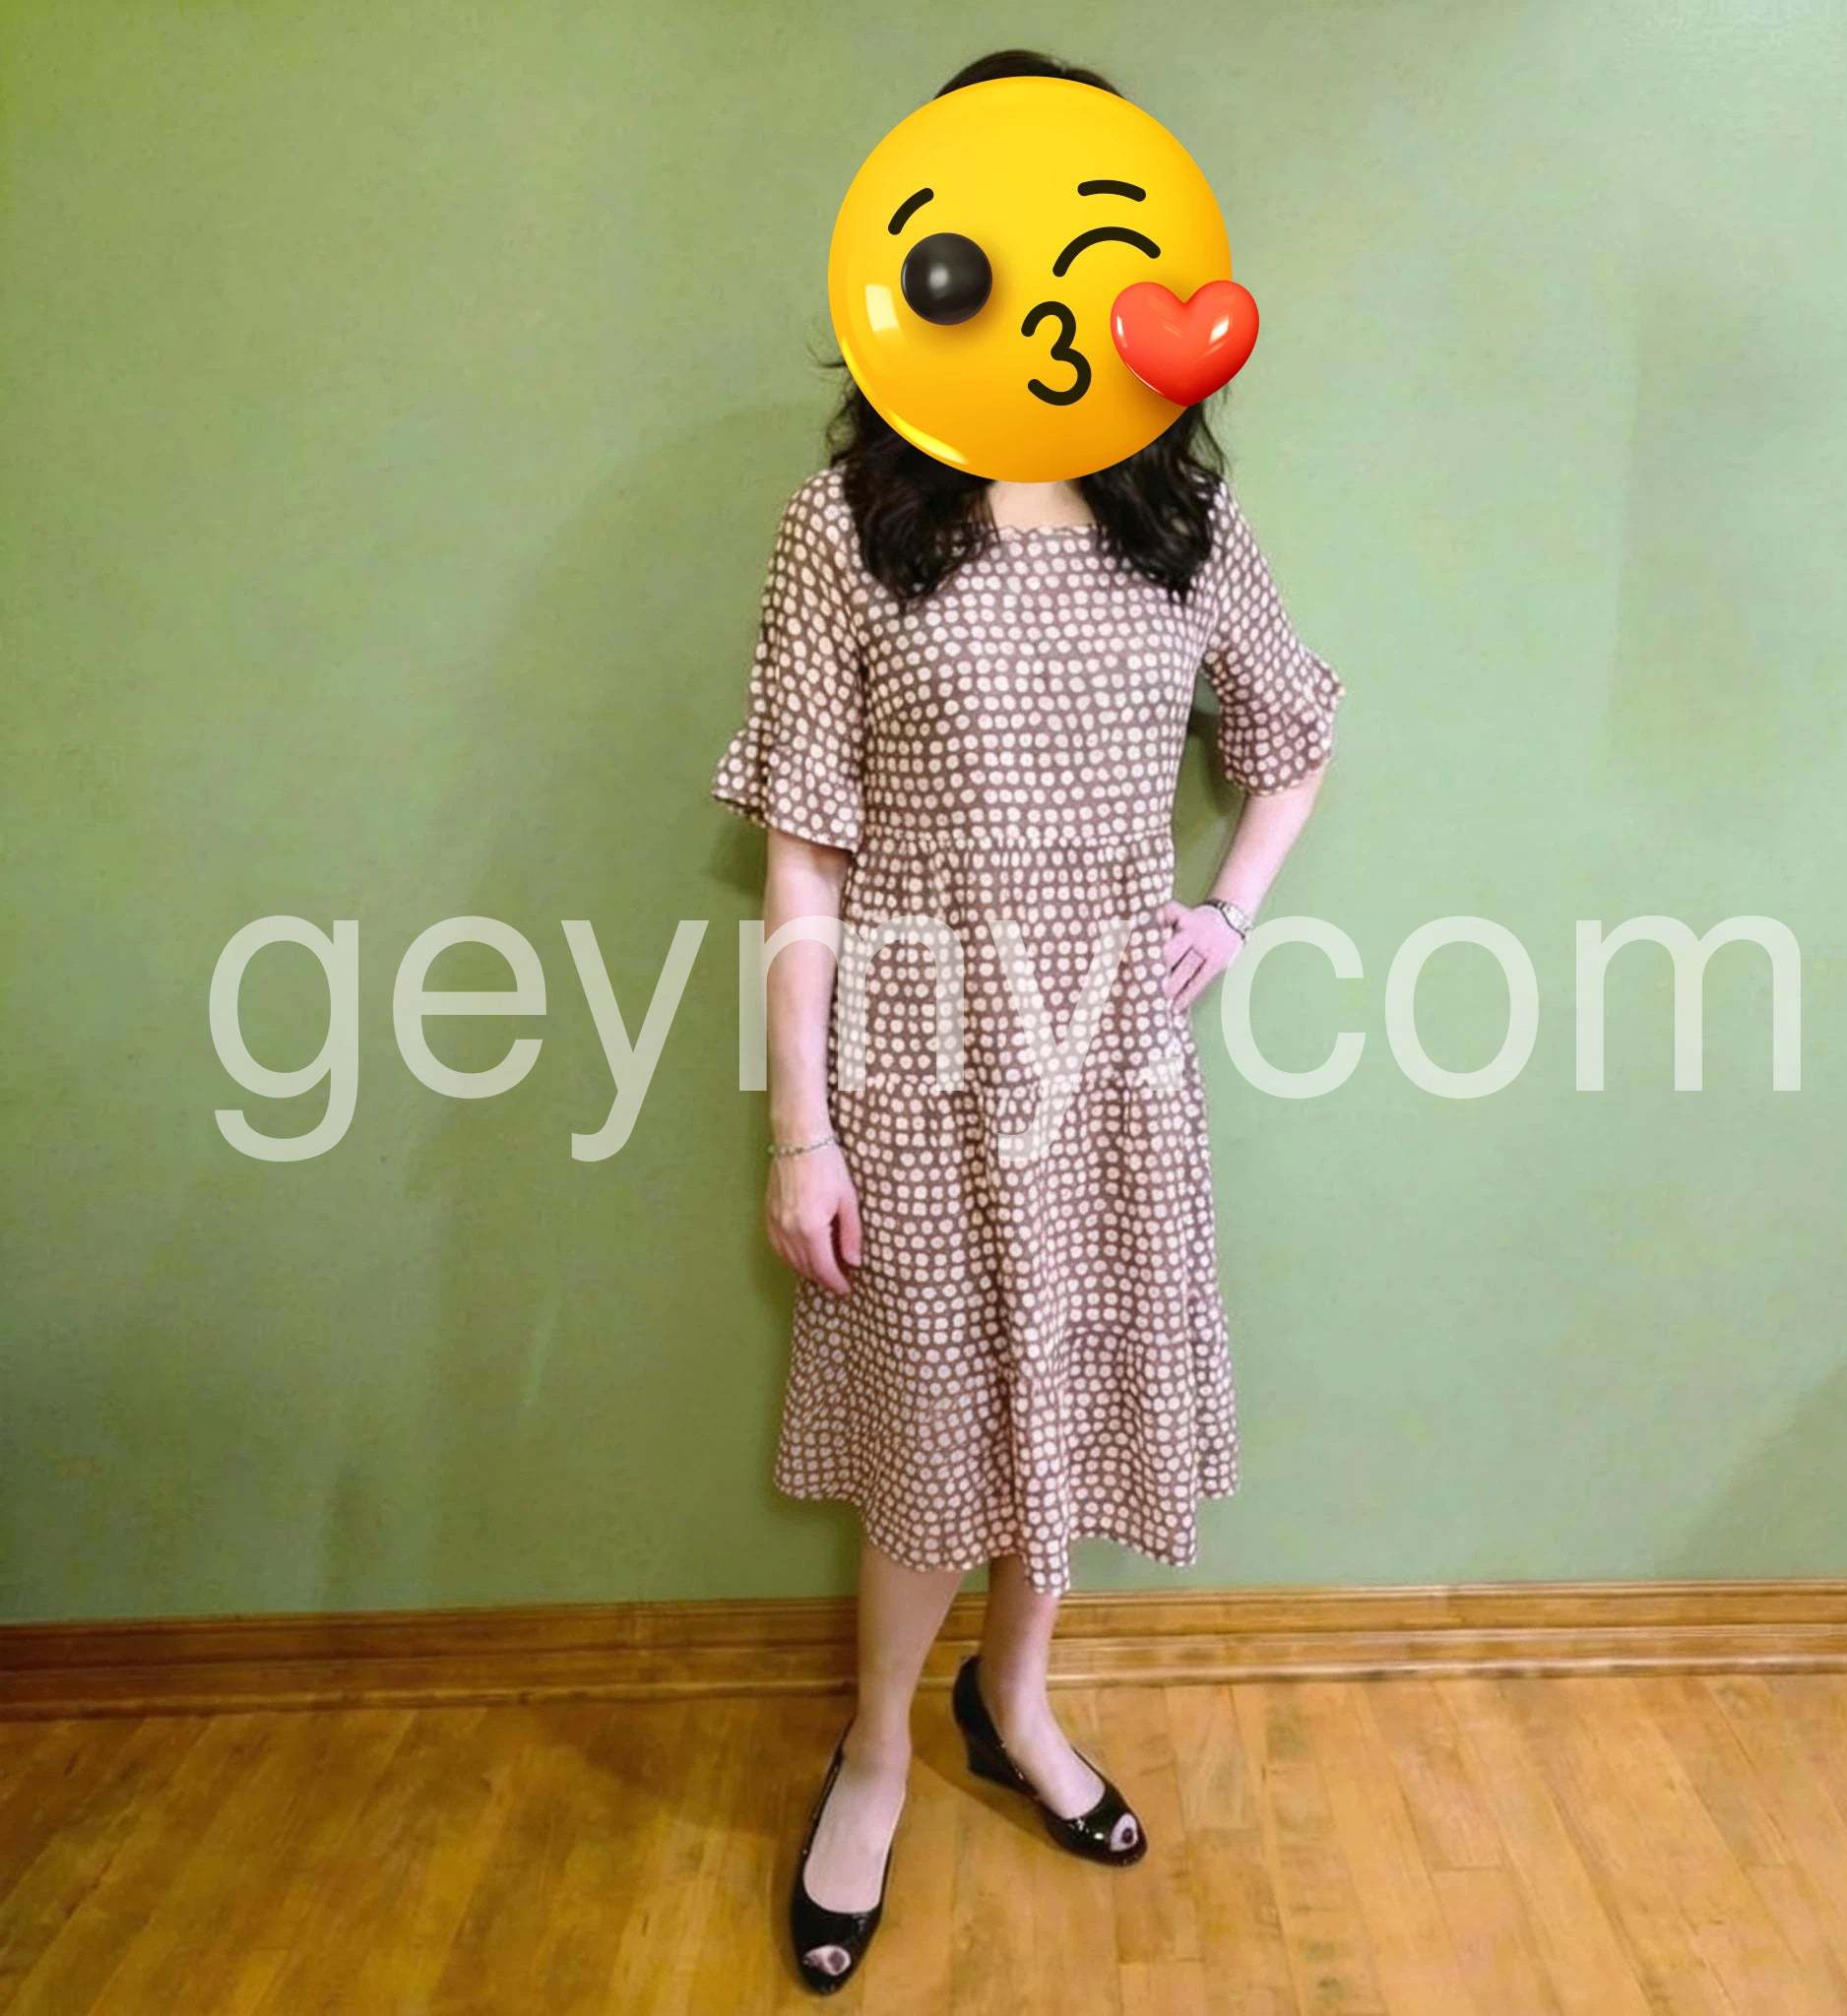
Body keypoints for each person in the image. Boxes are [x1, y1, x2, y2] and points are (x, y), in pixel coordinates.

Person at [708, 47, 1343, 1995]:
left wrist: (1226, 914)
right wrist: (800, 1129)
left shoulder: (1183, 530)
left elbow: (1293, 734)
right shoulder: (847, 527)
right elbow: (802, 850)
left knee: (1062, 1399)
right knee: (934, 1425)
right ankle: (878, 1754)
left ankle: (1019, 1698)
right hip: (913, 1064)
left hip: (1112, 1069)